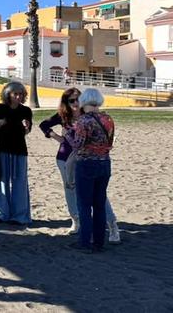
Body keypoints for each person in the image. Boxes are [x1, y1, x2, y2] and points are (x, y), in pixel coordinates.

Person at [39, 88, 120, 240]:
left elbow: (83, 142)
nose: (75, 103)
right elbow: (43, 124)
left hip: (86, 160)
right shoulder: (63, 116)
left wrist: (68, 136)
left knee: (97, 196)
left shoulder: (88, 116)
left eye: (78, 99)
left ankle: (112, 224)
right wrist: (56, 137)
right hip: (65, 158)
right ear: (66, 102)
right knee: (70, 190)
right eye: (71, 100)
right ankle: (76, 221)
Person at [69, 88, 117, 252]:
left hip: (87, 164)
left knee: (84, 204)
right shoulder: (108, 118)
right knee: (99, 204)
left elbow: (78, 145)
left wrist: (68, 135)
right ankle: (99, 241)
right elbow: (110, 141)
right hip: (105, 162)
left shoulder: (84, 121)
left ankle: (85, 242)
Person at [0, 82, 32, 225]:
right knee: (2, 182)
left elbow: (27, 131)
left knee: (20, 182)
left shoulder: (26, 111)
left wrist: (27, 126)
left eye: (21, 94)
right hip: (2, 149)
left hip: (19, 149)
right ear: (8, 94)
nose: (18, 96)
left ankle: (19, 215)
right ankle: (1, 214)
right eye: (15, 94)